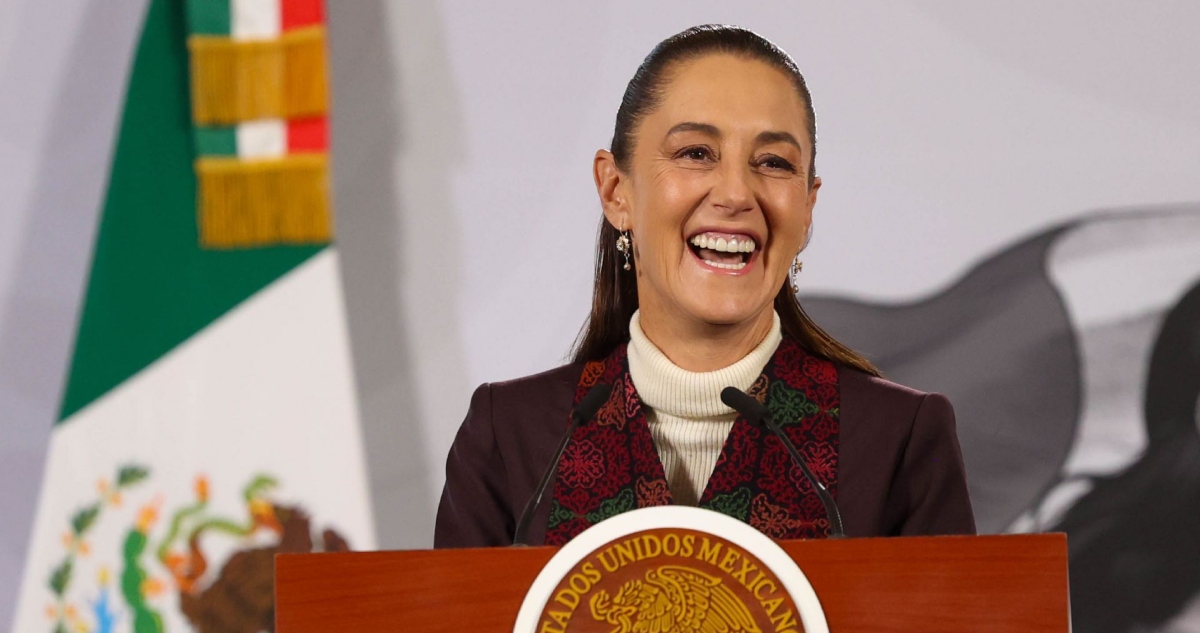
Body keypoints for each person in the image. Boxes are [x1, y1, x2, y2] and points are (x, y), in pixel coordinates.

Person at [434, 24, 974, 548]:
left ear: (807, 207)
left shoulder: (897, 440)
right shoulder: (511, 438)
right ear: (615, 188)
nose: (736, 193)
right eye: (696, 153)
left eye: (773, 162)